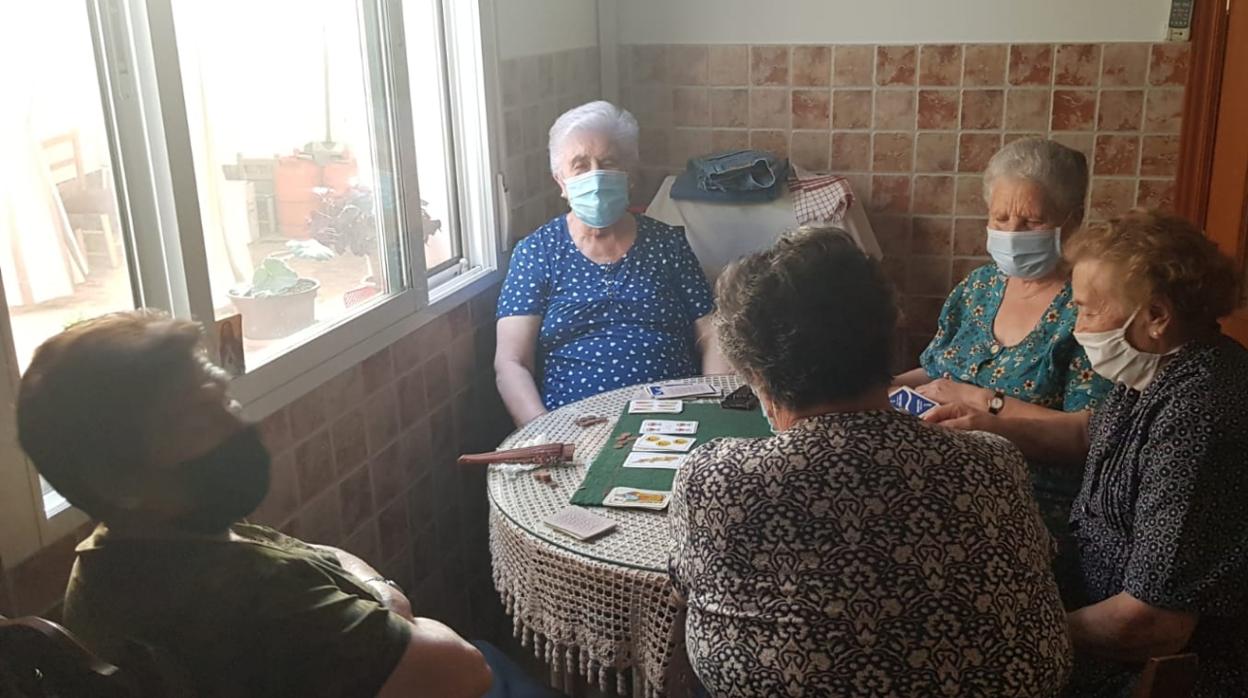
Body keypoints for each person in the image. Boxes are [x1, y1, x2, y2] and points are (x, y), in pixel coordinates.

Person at [669, 227, 1071, 697]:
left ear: (757, 376)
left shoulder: (716, 480)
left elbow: (684, 590)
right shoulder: (994, 462)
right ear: (887, 343)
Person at [15, 311, 493, 697]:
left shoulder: (119, 556)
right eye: (199, 420)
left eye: (224, 399)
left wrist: (374, 594)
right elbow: (463, 672)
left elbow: (322, 555)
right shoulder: (246, 598)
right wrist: (391, 601)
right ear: (119, 479)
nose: (235, 427)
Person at [925, 211, 1248, 696]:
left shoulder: (1201, 415)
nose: (1077, 328)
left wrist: (1010, 635)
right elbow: (1088, 439)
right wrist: (987, 430)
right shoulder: (1152, 372)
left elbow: (1152, 623)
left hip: (1145, 671)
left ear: (1157, 316)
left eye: (1090, 310)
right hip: (1087, 608)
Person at [895, 137, 1111, 543]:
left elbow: (1088, 433)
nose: (1013, 233)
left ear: (1074, 219)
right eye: (1000, 218)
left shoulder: (1089, 305)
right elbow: (936, 371)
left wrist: (989, 414)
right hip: (935, 475)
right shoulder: (978, 287)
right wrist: (881, 388)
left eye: (1032, 222)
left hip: (1026, 502)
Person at [495, 101, 729, 426]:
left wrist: (712, 407)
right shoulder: (536, 252)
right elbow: (511, 362)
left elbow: (710, 332)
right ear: (560, 181)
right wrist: (542, 429)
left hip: (674, 418)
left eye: (608, 162)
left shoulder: (667, 244)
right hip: (572, 426)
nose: (596, 175)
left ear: (630, 175)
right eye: (580, 165)